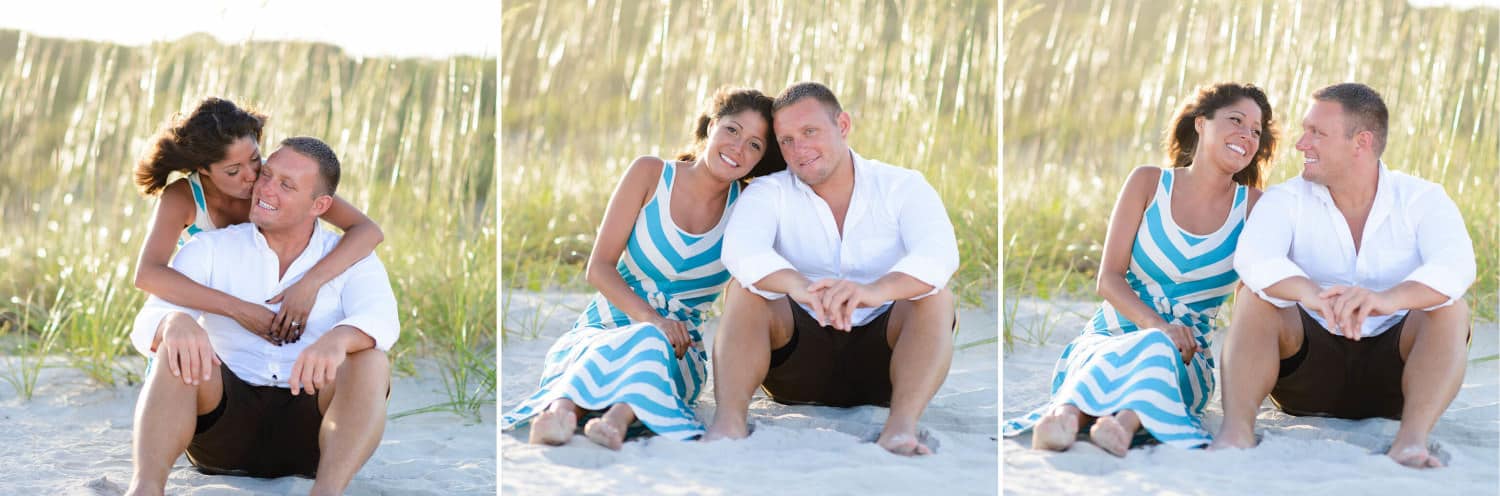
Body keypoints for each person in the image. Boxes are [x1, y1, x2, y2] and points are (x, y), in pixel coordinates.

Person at [500, 87, 786, 449]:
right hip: (607, 323)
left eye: (755, 145)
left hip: (679, 347)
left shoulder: (747, 207)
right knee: (637, 338)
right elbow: (599, 267)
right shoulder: (650, 174)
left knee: (654, 345)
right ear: (712, 126)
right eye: (732, 130)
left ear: (760, 160)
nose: (738, 148)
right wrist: (652, 319)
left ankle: (614, 422)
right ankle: (560, 411)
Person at [1003, 82, 1277, 455]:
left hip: (1186, 355)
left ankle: (1121, 423)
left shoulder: (1254, 208)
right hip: (1111, 333)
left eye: (1256, 131)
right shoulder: (1148, 183)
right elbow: (1108, 278)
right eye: (1236, 120)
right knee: (1123, 348)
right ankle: (1068, 416)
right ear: (1201, 123)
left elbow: (1253, 305)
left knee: (1157, 349)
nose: (1246, 136)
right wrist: (1158, 326)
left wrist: (1170, 336)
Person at [1211, 83, 1475, 469]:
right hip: (1306, 378)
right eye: (1305, 131)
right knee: (1255, 295)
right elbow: (1254, 258)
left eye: (1317, 133)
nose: (1301, 144)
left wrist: (1389, 299)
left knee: (1450, 308)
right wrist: (1312, 294)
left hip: (1397, 381)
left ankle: (1410, 442)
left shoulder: (1422, 198)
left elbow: (1457, 265)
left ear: (1361, 142)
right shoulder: (1286, 199)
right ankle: (1236, 433)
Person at [125, 137, 398, 496]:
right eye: (266, 174)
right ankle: (145, 489)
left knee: (371, 360)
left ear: (320, 205)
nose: (265, 188)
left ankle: (327, 492)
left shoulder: (350, 258)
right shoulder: (209, 249)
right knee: (175, 347)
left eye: (287, 185)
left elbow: (382, 318)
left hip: (314, 435)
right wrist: (173, 323)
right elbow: (151, 315)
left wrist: (338, 339)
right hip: (222, 431)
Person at [704, 81, 960, 456]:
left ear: (842, 125)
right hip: (795, 368)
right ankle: (728, 424)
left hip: (887, 366)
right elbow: (741, 250)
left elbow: (939, 255)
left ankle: (900, 429)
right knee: (745, 289)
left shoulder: (902, 186)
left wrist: (875, 291)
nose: (799, 149)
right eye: (786, 140)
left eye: (809, 132)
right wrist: (801, 286)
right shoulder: (768, 192)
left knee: (935, 296)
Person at [133, 97, 384, 346]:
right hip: (212, 329)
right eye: (233, 171)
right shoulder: (183, 197)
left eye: (255, 159)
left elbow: (367, 231)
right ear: (204, 169)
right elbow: (148, 274)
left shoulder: (274, 180)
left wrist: (310, 283)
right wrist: (238, 309)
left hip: (275, 324)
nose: (252, 177)